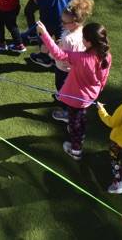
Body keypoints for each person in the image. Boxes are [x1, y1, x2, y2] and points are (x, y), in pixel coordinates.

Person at [38, 22, 111, 160]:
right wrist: (98, 90)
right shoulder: (106, 56)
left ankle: (76, 150)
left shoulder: (81, 58)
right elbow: (104, 77)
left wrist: (44, 33)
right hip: (90, 96)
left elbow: (58, 54)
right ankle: (79, 133)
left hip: (76, 99)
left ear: (89, 42)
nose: (82, 39)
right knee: (80, 117)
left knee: (75, 124)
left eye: (83, 38)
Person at [45, 0, 95, 112]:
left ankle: (66, 110)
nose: (62, 24)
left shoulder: (69, 39)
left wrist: (54, 48)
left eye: (65, 22)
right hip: (73, 69)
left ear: (75, 22)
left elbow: (60, 55)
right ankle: (64, 97)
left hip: (63, 68)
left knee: (61, 86)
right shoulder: (81, 30)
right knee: (68, 88)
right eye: (61, 20)